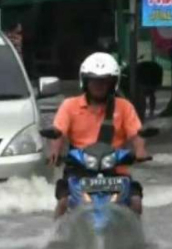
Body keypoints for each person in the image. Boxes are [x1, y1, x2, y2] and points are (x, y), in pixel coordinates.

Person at [49, 52, 149, 218]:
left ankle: (136, 238)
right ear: (85, 81)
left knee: (136, 202)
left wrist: (140, 151)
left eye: (104, 80)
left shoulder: (124, 107)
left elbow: (136, 133)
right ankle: (55, 238)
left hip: (116, 170)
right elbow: (58, 131)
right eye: (94, 80)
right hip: (79, 169)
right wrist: (55, 151)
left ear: (113, 83)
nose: (99, 85)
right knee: (64, 202)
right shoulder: (69, 105)